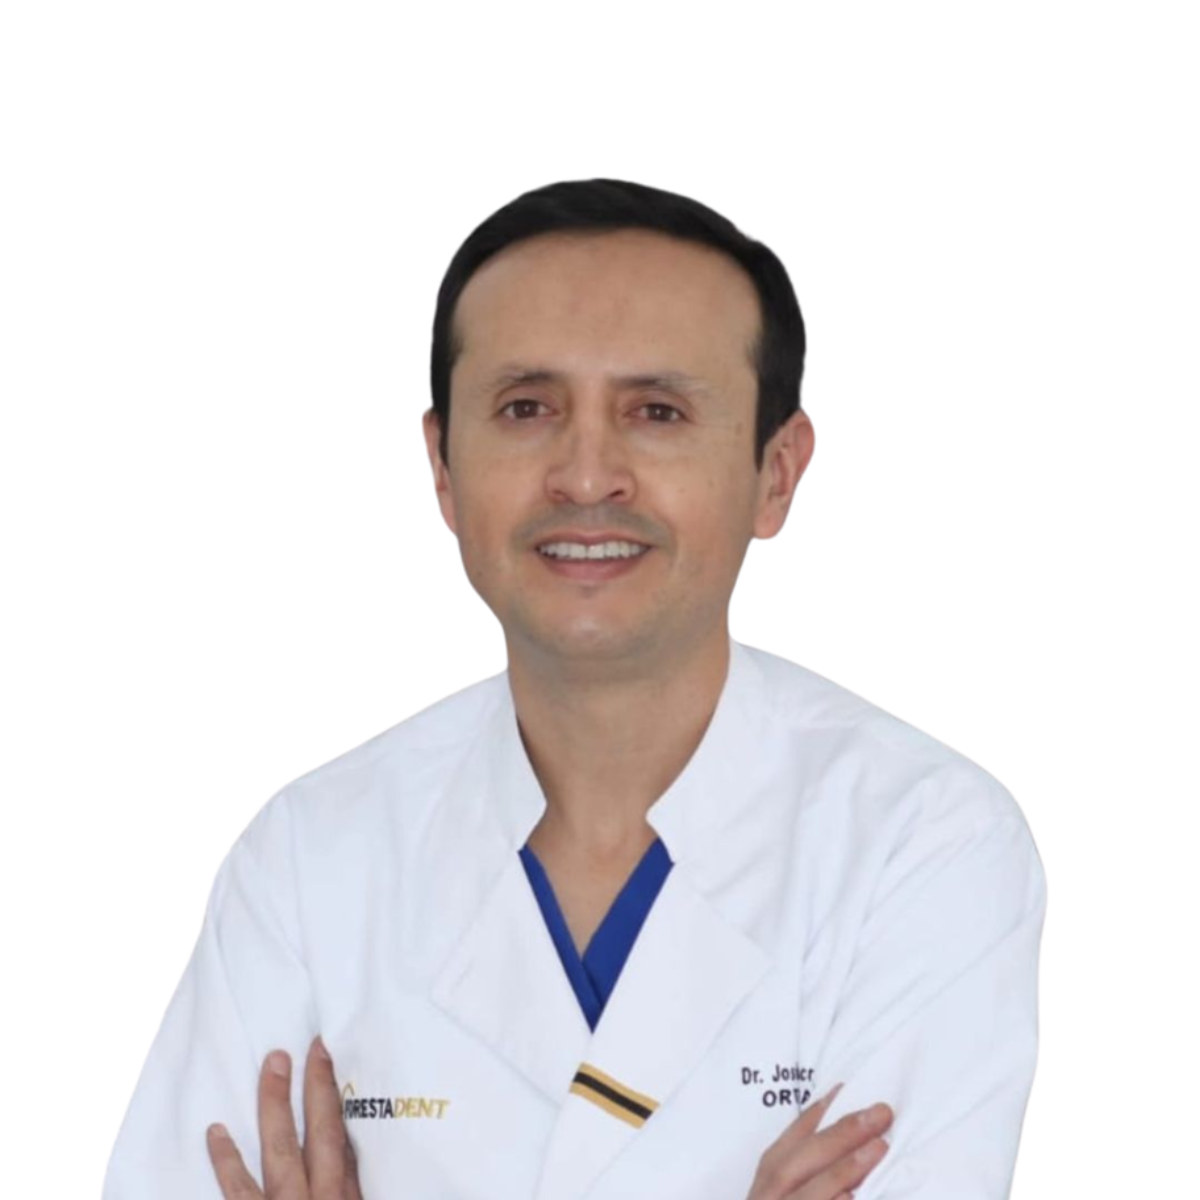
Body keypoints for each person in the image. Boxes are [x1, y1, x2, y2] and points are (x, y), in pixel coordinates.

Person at [102, 178, 1047, 1199]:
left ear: (775, 473)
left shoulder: (923, 841)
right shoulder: (308, 860)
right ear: (443, 468)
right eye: (526, 409)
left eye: (657, 411)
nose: (587, 476)